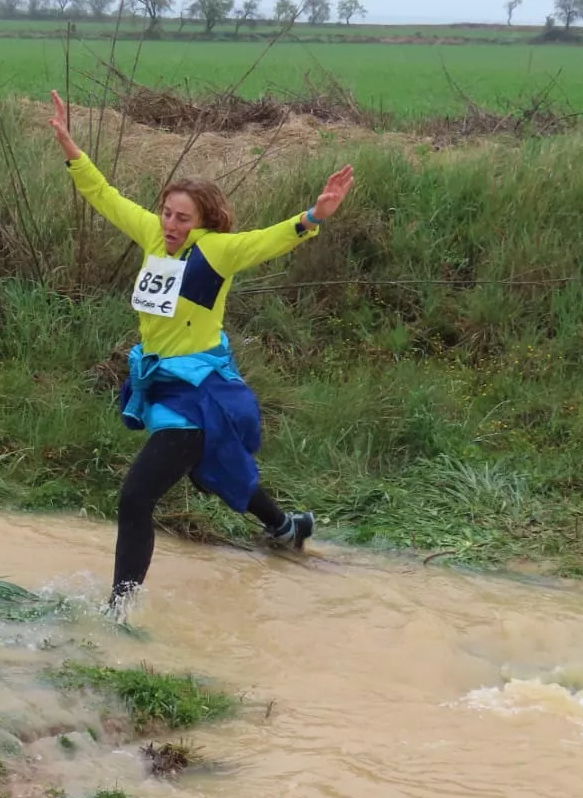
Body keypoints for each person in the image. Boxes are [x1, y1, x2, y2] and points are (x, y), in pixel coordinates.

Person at [47, 90, 355, 611]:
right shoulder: (152, 234)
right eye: (167, 213)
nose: (170, 224)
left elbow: (271, 238)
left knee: (136, 497)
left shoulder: (218, 250)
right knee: (214, 467)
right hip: (160, 380)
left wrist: (313, 216)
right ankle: (286, 527)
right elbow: (104, 195)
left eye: (182, 218)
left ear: (203, 222)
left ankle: (119, 612)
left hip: (198, 392)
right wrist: (70, 148)